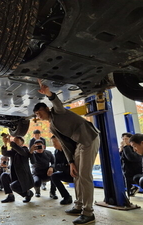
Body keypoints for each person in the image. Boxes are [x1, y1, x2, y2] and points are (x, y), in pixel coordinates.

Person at [33, 79, 100, 225]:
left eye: (40, 112)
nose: (39, 115)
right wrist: (71, 162)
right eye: (37, 114)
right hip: (79, 144)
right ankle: (78, 205)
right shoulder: (52, 127)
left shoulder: (58, 113)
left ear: (47, 109)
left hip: (88, 138)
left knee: (84, 176)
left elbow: (57, 103)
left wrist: (49, 93)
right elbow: (64, 145)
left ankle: (88, 213)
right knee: (76, 174)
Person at [0, 134, 34, 203]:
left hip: (23, 177)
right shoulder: (13, 151)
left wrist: (11, 142)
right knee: (4, 176)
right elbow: (5, 153)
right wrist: (5, 143)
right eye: (14, 141)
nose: (14, 142)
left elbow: (20, 151)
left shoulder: (25, 150)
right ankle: (10, 196)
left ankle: (28, 194)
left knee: (13, 186)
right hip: (14, 175)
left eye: (17, 141)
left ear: (22, 142)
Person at [50, 135, 74, 205]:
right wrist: (66, 165)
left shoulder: (68, 150)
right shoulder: (56, 152)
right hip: (66, 173)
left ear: (61, 141)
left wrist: (63, 166)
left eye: (55, 142)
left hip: (74, 174)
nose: (54, 144)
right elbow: (56, 166)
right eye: (52, 142)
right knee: (54, 176)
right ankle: (67, 197)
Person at [119, 133, 143, 197]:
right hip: (126, 170)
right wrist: (120, 151)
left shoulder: (135, 147)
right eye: (123, 139)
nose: (124, 141)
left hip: (137, 170)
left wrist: (126, 147)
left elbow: (131, 157)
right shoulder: (124, 148)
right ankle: (132, 190)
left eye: (126, 139)